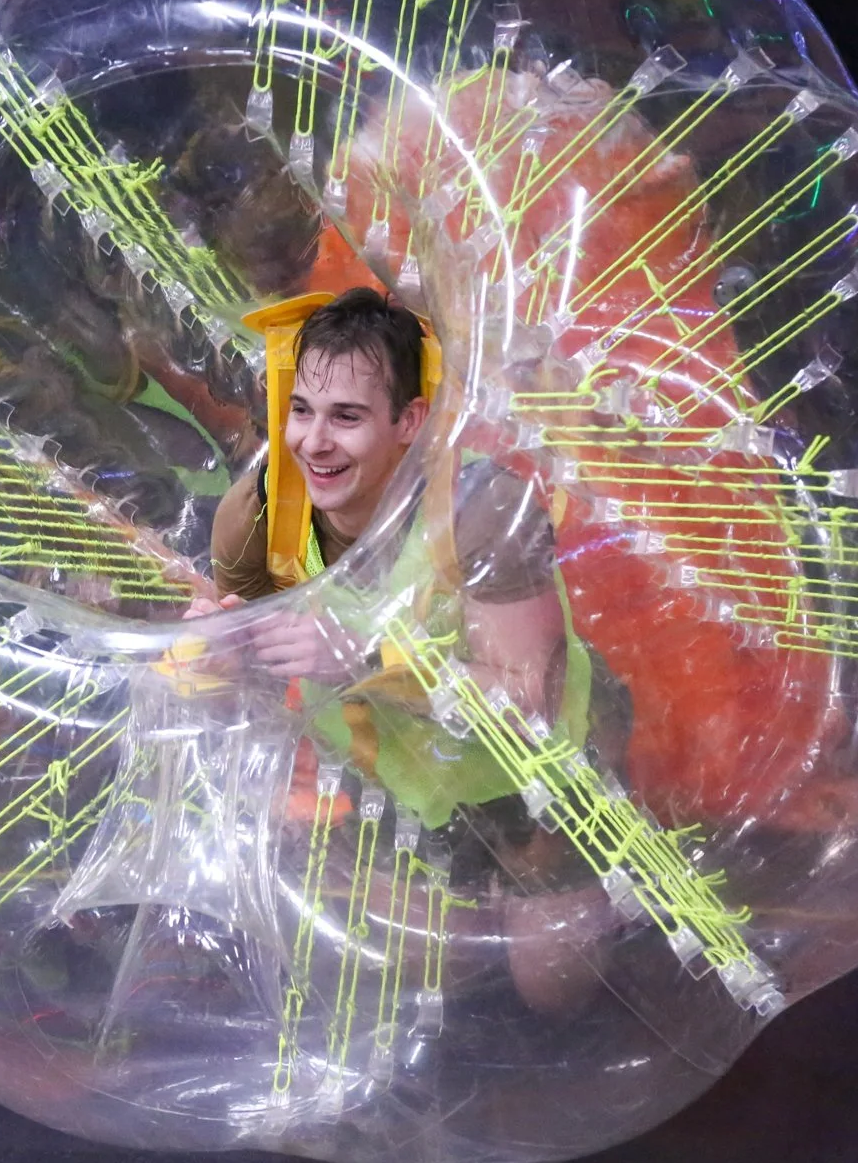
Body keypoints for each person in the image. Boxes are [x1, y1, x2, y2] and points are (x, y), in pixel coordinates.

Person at [185, 286, 623, 1017]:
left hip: (534, 781)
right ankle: (468, 902)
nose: (313, 443)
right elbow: (250, 704)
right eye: (301, 411)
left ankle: (603, 879)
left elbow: (531, 704)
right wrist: (218, 664)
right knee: (432, 976)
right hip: (399, 784)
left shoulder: (481, 508)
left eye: (347, 417)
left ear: (408, 423)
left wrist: (366, 661)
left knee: (554, 993)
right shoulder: (255, 516)